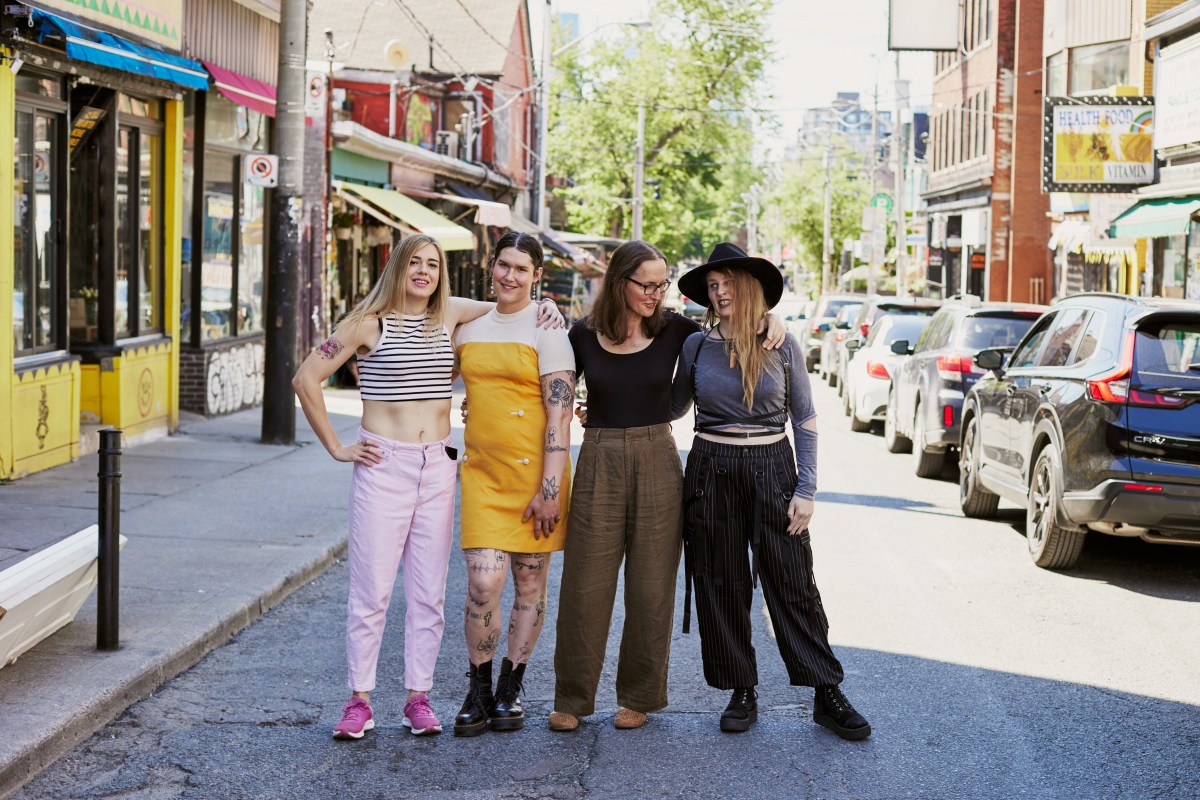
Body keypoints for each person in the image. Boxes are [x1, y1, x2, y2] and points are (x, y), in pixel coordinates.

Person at [292, 233, 562, 741]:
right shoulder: (364, 325)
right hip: (383, 467)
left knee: (428, 595)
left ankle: (419, 698)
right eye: (414, 262)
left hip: (437, 467)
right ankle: (360, 700)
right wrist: (337, 447)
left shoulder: (451, 316)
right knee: (372, 590)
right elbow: (307, 378)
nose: (423, 272)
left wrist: (546, 304)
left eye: (433, 264)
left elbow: (510, 301)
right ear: (397, 267)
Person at [549, 240, 785, 733]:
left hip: (659, 455)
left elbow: (728, 333)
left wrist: (773, 321)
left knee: (652, 588)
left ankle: (639, 696)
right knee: (584, 586)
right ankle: (572, 697)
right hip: (598, 457)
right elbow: (547, 389)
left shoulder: (679, 330)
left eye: (662, 284)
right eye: (647, 284)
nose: (656, 294)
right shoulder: (583, 335)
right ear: (620, 282)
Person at [669, 242, 871, 740]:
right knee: (721, 582)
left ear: (750, 288)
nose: (718, 293)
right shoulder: (697, 345)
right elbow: (670, 406)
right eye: (712, 287)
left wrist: (807, 487)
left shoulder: (782, 344)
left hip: (772, 465)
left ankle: (826, 691)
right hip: (711, 465)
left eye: (727, 284)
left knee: (791, 580)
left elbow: (803, 416)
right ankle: (741, 687)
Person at [452, 230, 576, 736]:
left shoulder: (548, 331)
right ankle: (477, 688)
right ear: (492, 265)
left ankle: (510, 687)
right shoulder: (468, 325)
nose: (510, 276)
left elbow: (559, 418)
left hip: (535, 481)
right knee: (484, 582)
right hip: (482, 475)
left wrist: (549, 490)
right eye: (504, 265)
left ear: (537, 275)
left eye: (522, 269)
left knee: (529, 583)